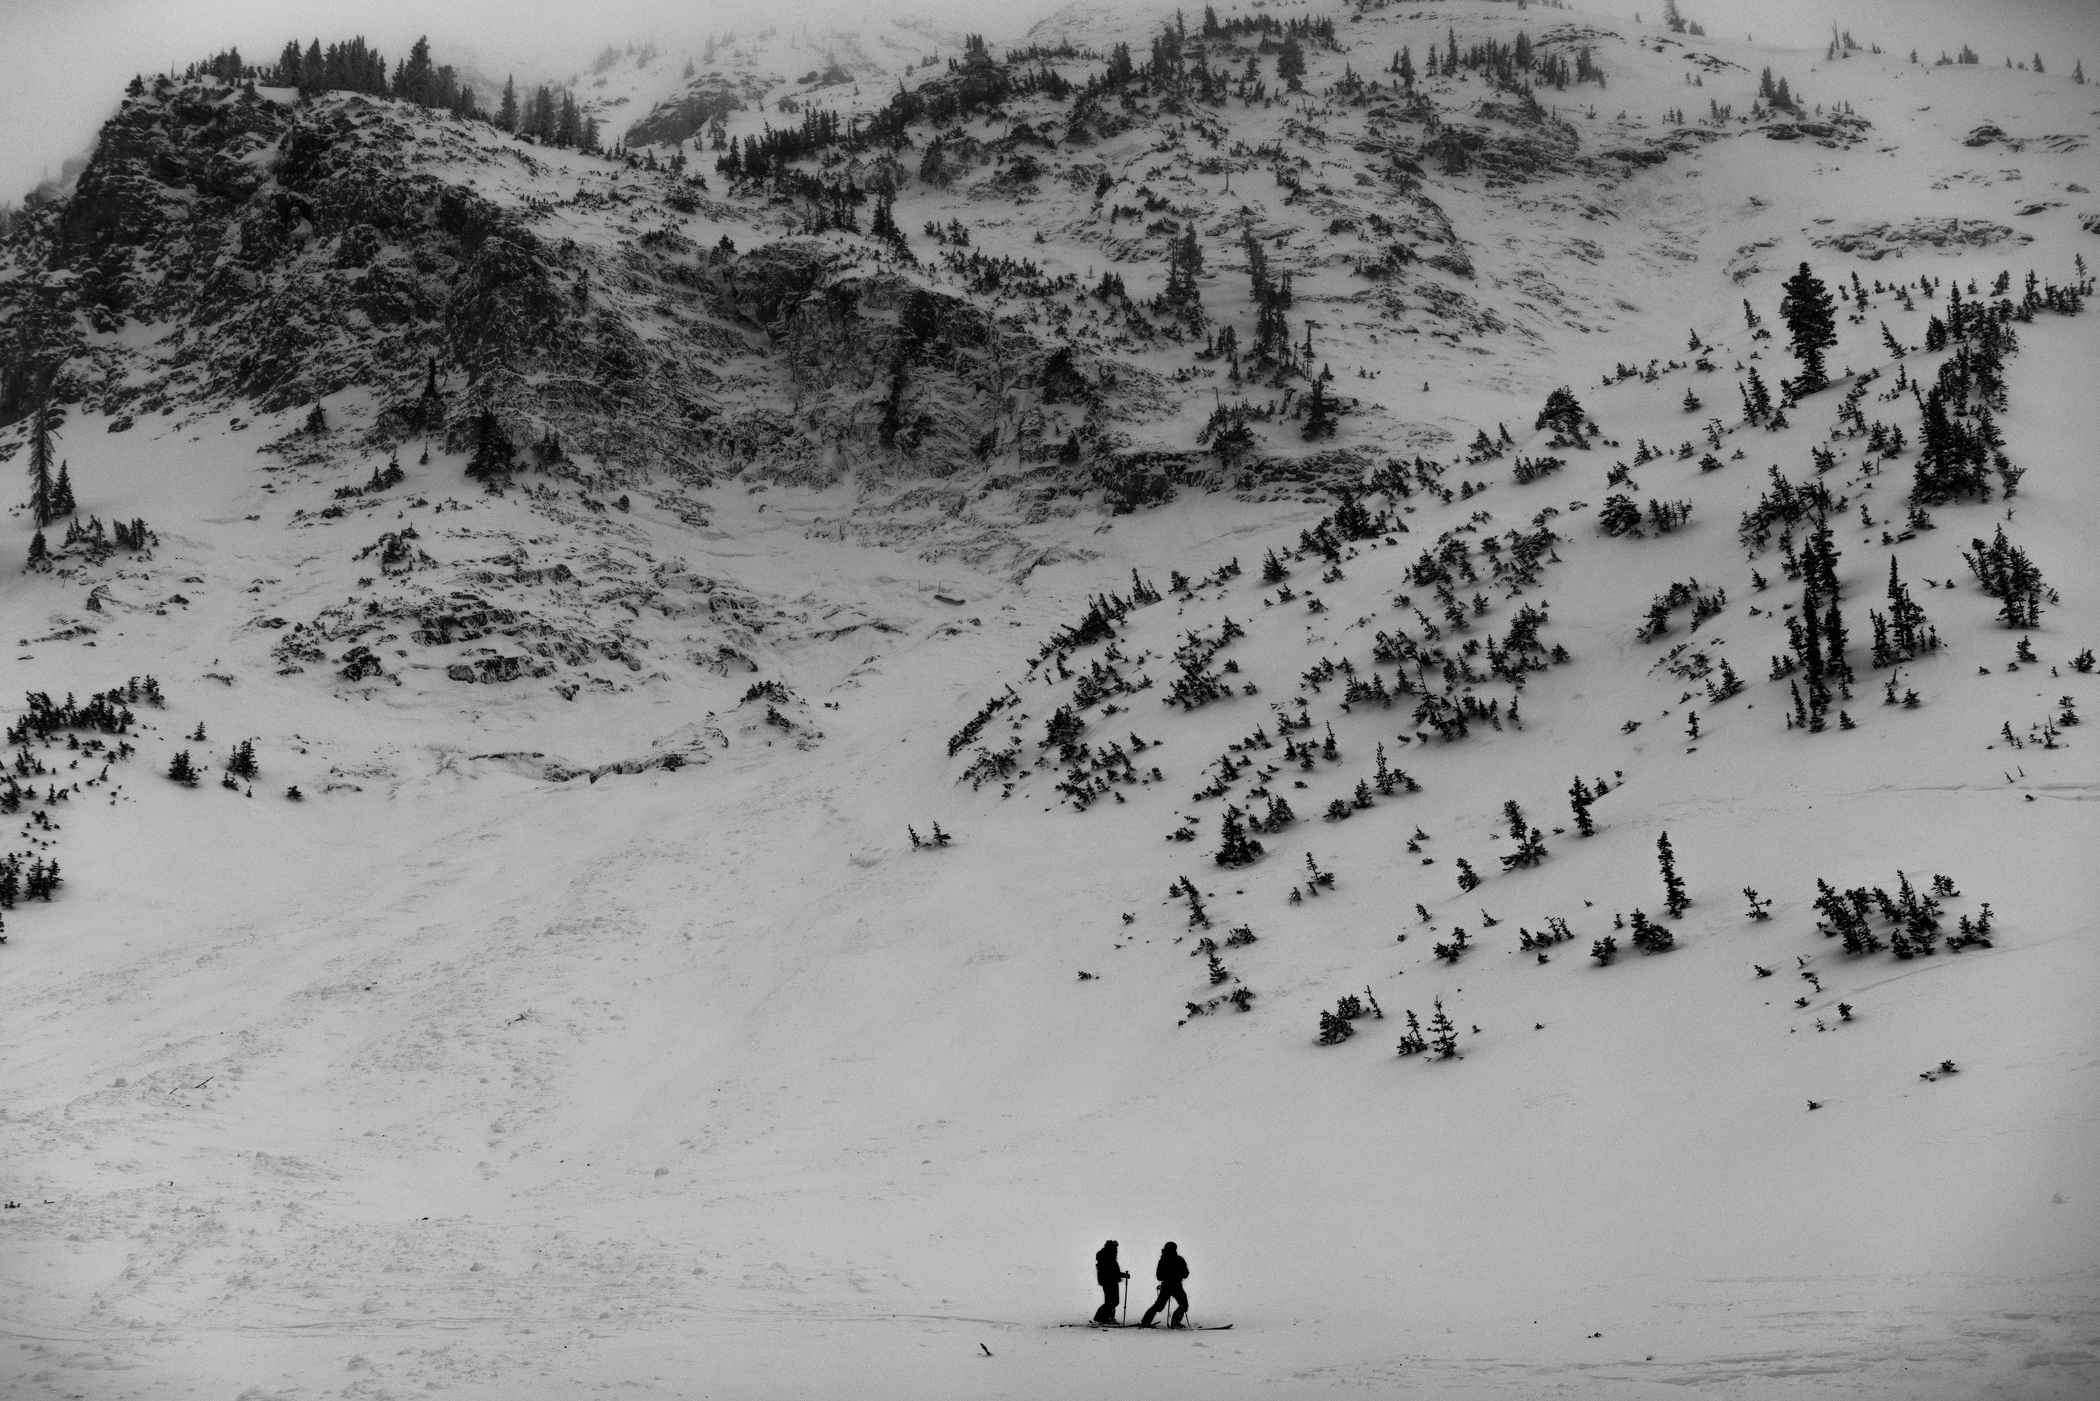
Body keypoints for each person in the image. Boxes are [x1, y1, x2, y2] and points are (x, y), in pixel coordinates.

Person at [1137, 1241, 1189, 1328]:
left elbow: (1159, 1276)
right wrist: (1177, 1275)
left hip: (1167, 1286)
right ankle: (1175, 1323)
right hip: (1175, 1286)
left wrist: (1169, 1277)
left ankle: (1145, 1322)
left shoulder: (1163, 1260)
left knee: (1159, 1306)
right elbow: (1186, 1274)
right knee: (1183, 1304)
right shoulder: (1179, 1259)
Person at [1093, 1240, 1129, 1324]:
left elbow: (1113, 1272)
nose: (1116, 1250)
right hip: (1109, 1281)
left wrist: (1122, 1275)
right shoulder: (1107, 1257)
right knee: (1112, 1301)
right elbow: (1111, 1272)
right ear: (1111, 1248)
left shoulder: (1109, 1257)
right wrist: (1122, 1275)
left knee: (1112, 1301)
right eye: (1115, 1248)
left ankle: (1105, 1317)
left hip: (1110, 1281)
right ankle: (1103, 1318)